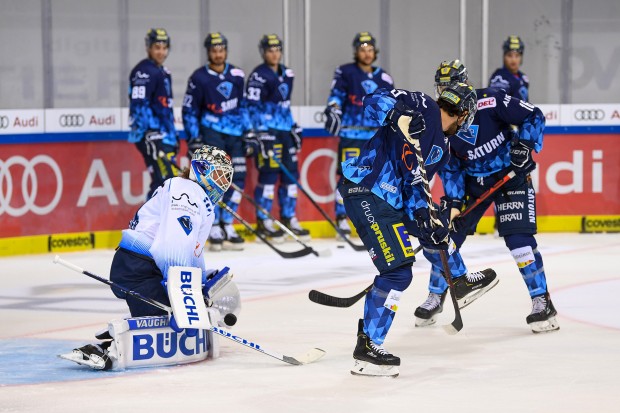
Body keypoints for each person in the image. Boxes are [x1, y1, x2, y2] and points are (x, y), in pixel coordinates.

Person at [339, 83, 497, 377]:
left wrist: (424, 216)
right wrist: (397, 112)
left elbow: (416, 185)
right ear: (464, 114)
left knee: (434, 228)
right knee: (398, 273)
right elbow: (371, 100)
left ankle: (459, 280)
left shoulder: (443, 149)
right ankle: (368, 347)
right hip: (367, 190)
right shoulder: (420, 104)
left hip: (392, 200)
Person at [60, 145, 240, 370]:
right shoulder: (187, 192)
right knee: (171, 320)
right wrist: (185, 303)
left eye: (225, 177)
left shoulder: (194, 195)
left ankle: (132, 326)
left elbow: (190, 249)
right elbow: (172, 247)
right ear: (200, 170)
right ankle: (107, 350)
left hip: (144, 267)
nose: (222, 182)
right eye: (218, 175)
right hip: (138, 270)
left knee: (180, 316)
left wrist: (200, 282)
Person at [414, 60, 559, 334]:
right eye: (441, 87)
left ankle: (542, 301)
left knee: (519, 242)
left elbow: (533, 115)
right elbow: (450, 164)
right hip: (473, 183)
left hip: (510, 176)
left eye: (450, 85)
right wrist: (455, 201)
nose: (445, 93)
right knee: (445, 236)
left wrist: (525, 146)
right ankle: (437, 294)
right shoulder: (439, 118)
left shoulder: (491, 101)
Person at [182, 32, 251, 252]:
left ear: (226, 51)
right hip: (211, 133)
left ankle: (228, 224)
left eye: (221, 49)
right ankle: (212, 226)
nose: (218, 54)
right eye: (214, 50)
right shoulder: (199, 77)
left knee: (238, 178)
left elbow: (245, 105)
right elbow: (189, 109)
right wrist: (194, 137)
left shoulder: (238, 74)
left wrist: (250, 131)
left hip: (236, 135)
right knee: (213, 180)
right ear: (208, 52)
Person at [323, 32, 394, 237]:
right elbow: (336, 95)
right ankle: (341, 218)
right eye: (363, 49)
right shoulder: (345, 72)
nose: (367, 53)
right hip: (351, 133)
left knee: (378, 177)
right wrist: (333, 108)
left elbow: (392, 103)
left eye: (370, 49)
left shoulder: (384, 77)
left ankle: (374, 216)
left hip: (376, 136)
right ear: (356, 51)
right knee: (348, 176)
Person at [245, 34, 309, 242]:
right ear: (263, 52)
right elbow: (252, 107)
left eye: (277, 49)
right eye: (270, 49)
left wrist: (293, 126)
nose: (274, 53)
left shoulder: (288, 74)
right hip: (268, 134)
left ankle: (288, 217)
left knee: (291, 176)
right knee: (269, 176)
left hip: (284, 132)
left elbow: (284, 106)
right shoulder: (258, 76)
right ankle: (264, 220)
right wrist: (260, 132)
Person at [128, 28, 179, 199]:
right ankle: (146, 224)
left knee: (167, 182)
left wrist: (172, 135)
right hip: (151, 136)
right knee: (163, 181)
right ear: (148, 48)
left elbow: (165, 107)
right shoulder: (143, 71)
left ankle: (157, 224)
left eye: (164, 48)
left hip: (164, 136)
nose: (161, 52)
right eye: (157, 47)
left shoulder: (164, 72)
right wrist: (149, 133)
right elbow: (139, 105)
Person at [489, 35, 529, 102]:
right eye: (509, 55)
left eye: (517, 56)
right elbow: (497, 103)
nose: (513, 60)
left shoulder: (523, 77)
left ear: (521, 57)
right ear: (504, 56)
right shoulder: (499, 78)